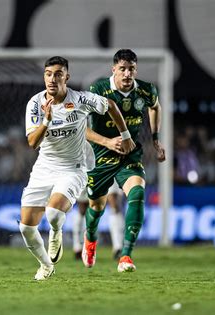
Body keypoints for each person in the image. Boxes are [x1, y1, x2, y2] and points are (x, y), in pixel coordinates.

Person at [19, 56, 135, 281]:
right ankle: (46, 266)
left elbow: (110, 105)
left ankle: (56, 232)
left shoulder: (81, 99)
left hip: (74, 168)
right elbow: (32, 143)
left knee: (53, 212)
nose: (52, 79)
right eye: (48, 74)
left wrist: (125, 135)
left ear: (67, 77)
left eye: (58, 74)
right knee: (26, 228)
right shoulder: (35, 104)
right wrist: (46, 121)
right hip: (44, 167)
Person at [83, 49, 166, 273]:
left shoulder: (146, 90)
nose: (127, 74)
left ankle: (125, 255)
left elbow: (155, 107)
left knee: (138, 193)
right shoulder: (99, 89)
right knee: (96, 208)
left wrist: (156, 138)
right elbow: (82, 127)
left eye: (131, 69)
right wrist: (108, 142)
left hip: (130, 154)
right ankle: (90, 240)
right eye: (122, 69)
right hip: (100, 155)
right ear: (114, 70)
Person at [72, 179, 124, 261]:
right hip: (89, 169)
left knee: (114, 202)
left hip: (108, 168)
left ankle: (118, 248)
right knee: (83, 208)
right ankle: (78, 245)